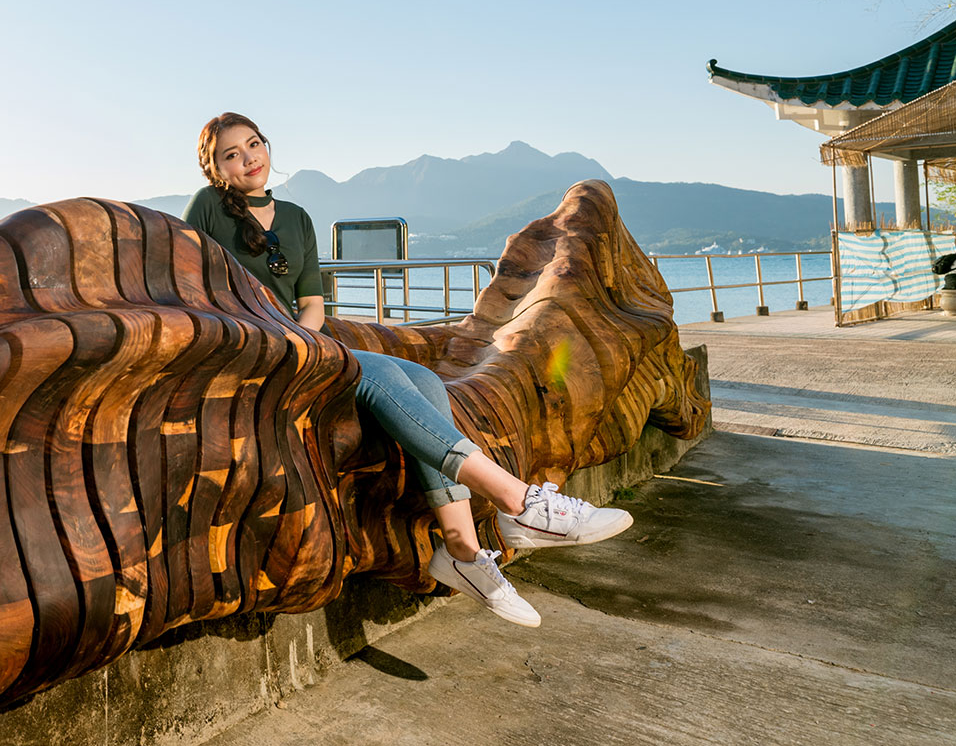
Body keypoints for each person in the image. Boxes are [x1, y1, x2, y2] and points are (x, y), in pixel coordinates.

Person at [184, 112, 630, 627]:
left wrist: (306, 340)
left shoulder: (297, 217)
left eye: (253, 144)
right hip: (252, 349)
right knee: (378, 379)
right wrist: (281, 342)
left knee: (422, 381)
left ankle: (462, 552)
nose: (248, 158)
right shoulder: (208, 209)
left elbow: (312, 301)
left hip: (303, 344)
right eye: (231, 155)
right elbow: (202, 293)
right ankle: (518, 501)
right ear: (215, 169)